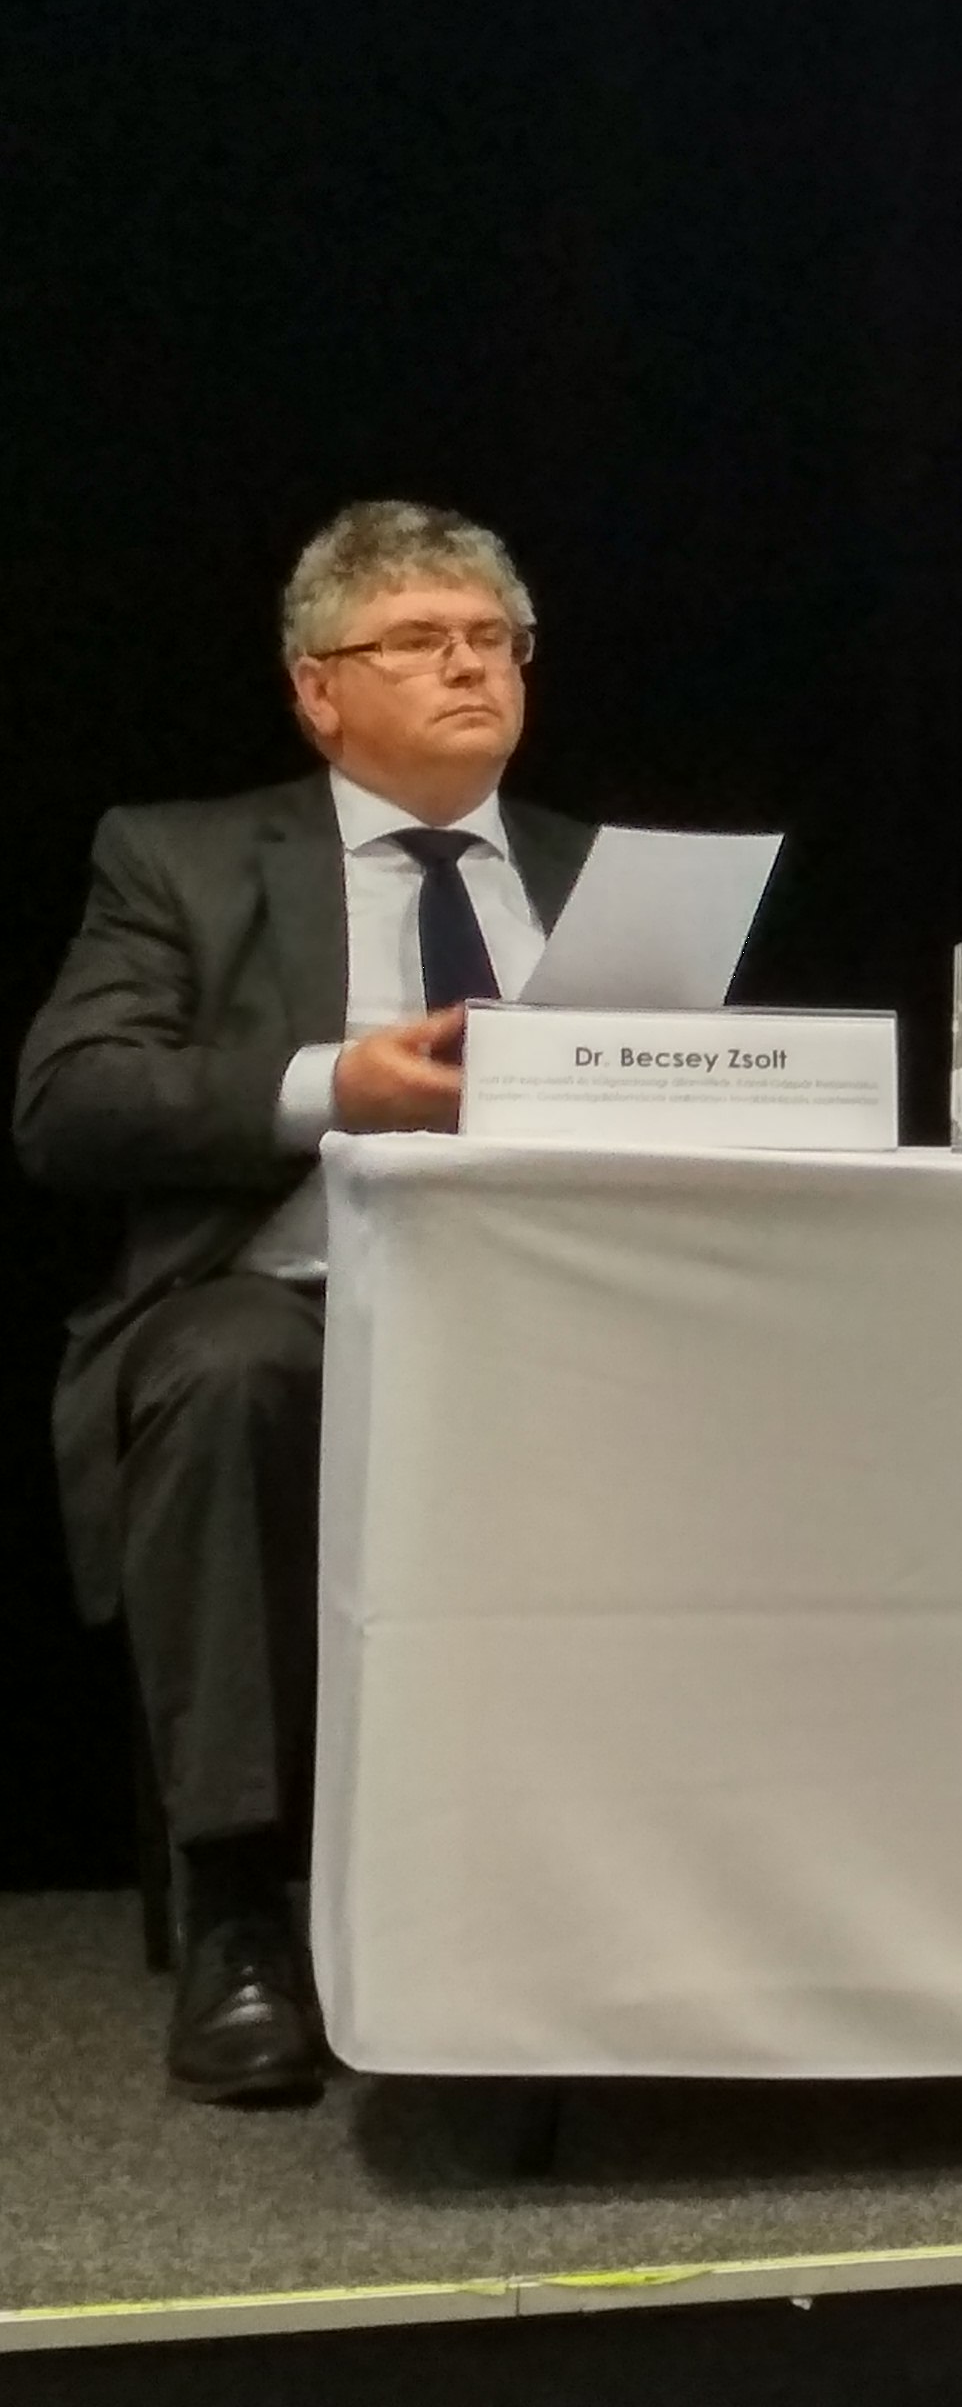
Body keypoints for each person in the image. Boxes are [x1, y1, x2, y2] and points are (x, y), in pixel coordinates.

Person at [15, 502, 593, 2107]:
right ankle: (239, 1910)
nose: (469, 666)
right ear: (318, 690)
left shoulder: (598, 876)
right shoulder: (183, 860)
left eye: (493, 639)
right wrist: (333, 1085)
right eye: (418, 640)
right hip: (288, 1298)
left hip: (564, 1319)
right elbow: (70, 1100)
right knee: (234, 1376)